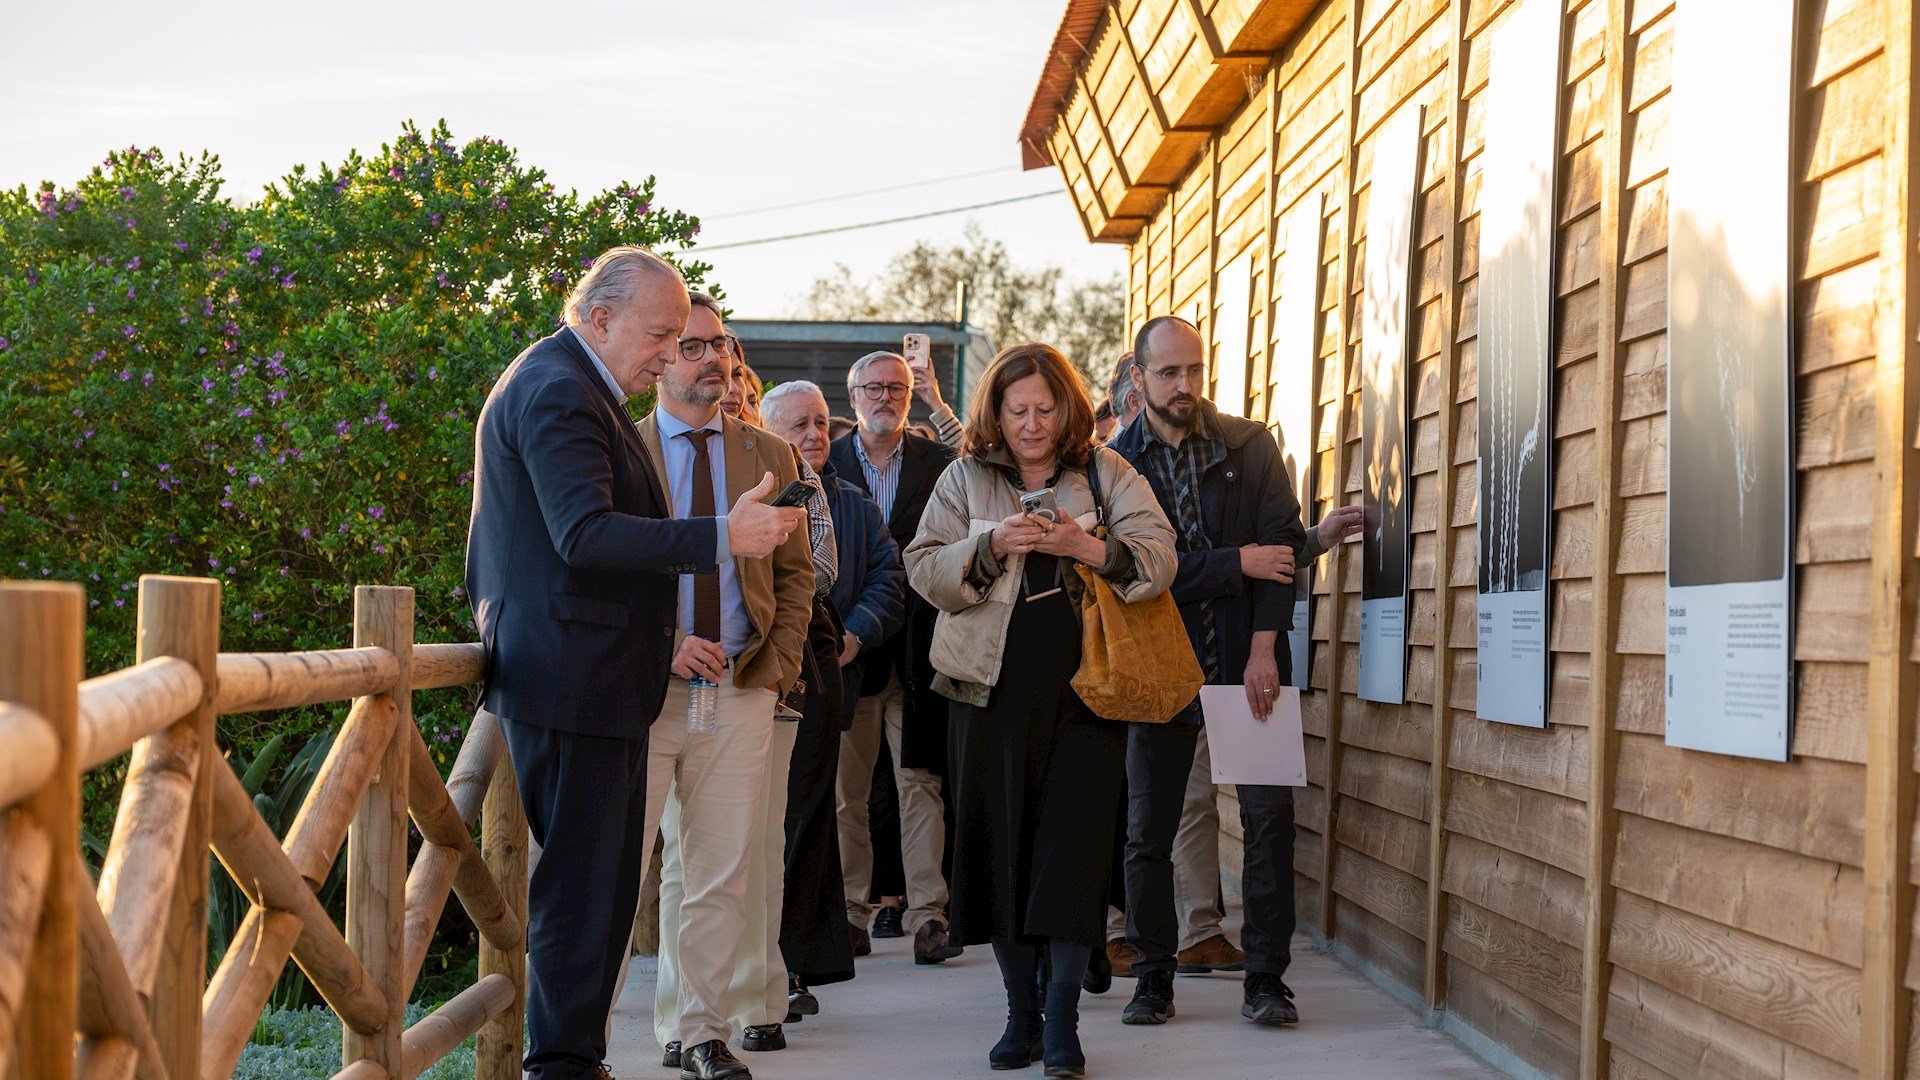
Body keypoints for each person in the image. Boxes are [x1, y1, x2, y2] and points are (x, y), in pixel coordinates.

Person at [465, 246, 801, 1080]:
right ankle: (563, 1066)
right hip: (574, 680)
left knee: (602, 892)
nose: (669, 353)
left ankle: (575, 1059)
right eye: (660, 335)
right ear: (600, 317)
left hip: (592, 679)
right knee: (583, 896)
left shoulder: (575, 384)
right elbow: (584, 534)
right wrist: (725, 536)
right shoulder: (558, 388)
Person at [906, 342, 1176, 1078]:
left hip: (1087, 696)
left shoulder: (1107, 471)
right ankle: (1018, 1015)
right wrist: (991, 543)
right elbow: (923, 569)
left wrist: (1087, 545)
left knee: (1071, 856)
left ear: (1067, 409)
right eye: (1017, 410)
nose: (1031, 424)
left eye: (1045, 409)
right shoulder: (963, 476)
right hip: (985, 694)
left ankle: (1060, 1021)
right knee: (1000, 855)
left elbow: (1160, 556)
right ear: (996, 413)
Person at [1110, 314, 1360, 1032]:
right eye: (1169, 373)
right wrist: (1232, 563)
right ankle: (1153, 977)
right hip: (1158, 668)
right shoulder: (1115, 465)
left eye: (1194, 370)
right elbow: (1132, 573)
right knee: (1147, 833)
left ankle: (1267, 980)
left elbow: (1280, 554)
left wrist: (1262, 648)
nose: (1185, 385)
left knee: (1268, 822)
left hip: (1248, 660)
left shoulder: (1249, 445)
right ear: (1139, 378)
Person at [630, 292, 815, 1080]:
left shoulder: (769, 454)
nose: (712, 358)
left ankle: (702, 1033)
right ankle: (574, 1044)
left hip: (740, 691)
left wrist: (775, 670)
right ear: (660, 357)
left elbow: (797, 575)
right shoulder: (623, 449)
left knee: (721, 872)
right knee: (622, 872)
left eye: (721, 346)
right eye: (692, 345)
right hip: (643, 691)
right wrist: (664, 645)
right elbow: (602, 566)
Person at [760, 379, 907, 1015]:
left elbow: (878, 575)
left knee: (809, 817)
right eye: (798, 425)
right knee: (764, 825)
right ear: (766, 431)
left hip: (823, 668)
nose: (815, 435)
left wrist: (855, 634)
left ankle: (795, 966)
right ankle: (757, 965)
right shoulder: (752, 491)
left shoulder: (846, 501)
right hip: (756, 671)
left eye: (821, 422)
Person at [827, 350, 962, 964]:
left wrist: (941, 403)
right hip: (851, 651)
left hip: (921, 649)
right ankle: (851, 913)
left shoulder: (938, 463)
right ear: (852, 395)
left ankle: (929, 914)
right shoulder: (826, 462)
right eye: (873, 388)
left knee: (921, 785)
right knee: (847, 792)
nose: (885, 398)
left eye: (897, 389)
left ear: (911, 396)